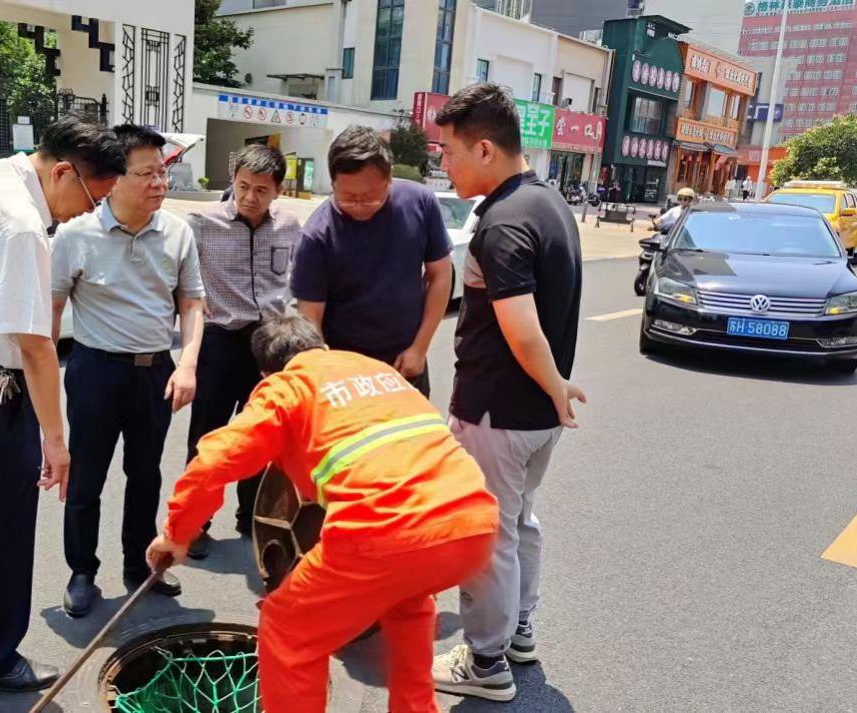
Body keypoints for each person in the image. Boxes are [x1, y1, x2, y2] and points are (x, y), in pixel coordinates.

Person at [146, 315, 499, 713]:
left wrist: (178, 533)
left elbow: (215, 461)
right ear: (323, 347)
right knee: (408, 605)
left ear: (265, 374)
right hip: (473, 522)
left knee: (287, 629)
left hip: (384, 531)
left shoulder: (287, 386)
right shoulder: (374, 370)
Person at [0, 117, 124, 691]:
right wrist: (55, 441)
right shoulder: (21, 226)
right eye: (93, 199)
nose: (88, 214)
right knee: (2, 532)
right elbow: (36, 348)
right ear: (62, 172)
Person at [430, 83, 586, 702]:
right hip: (536, 417)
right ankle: (518, 630)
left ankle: (486, 661)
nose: (444, 163)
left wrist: (556, 388)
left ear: (485, 150)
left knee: (486, 534)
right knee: (519, 522)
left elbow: (522, 330)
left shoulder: (502, 223)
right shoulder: (549, 203)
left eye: (449, 151)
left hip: (497, 412)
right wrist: (556, 391)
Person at [52, 124, 206, 618]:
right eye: (146, 174)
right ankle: (82, 570)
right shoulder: (76, 233)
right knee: (86, 477)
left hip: (154, 371)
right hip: (95, 370)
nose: (159, 183)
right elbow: (51, 311)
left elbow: (192, 303)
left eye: (163, 172)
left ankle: (140, 566)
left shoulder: (177, 232)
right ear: (115, 177)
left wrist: (187, 364)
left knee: (145, 475)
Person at [182, 144, 301, 559]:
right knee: (208, 437)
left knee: (263, 436)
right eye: (243, 186)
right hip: (220, 341)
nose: (250, 197)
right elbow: (180, 281)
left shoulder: (289, 226)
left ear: (278, 190)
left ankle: (251, 514)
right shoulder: (202, 223)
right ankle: (195, 522)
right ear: (232, 181)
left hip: (269, 344)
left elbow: (297, 278)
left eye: (261, 190)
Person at [290, 125, 453, 397]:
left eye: (370, 197)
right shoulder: (316, 236)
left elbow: (440, 275)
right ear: (333, 185)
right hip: (346, 374)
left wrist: (420, 348)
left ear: (389, 179)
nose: (359, 206)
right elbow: (311, 318)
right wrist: (325, 372)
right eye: (348, 198)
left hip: (406, 364)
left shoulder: (420, 203)